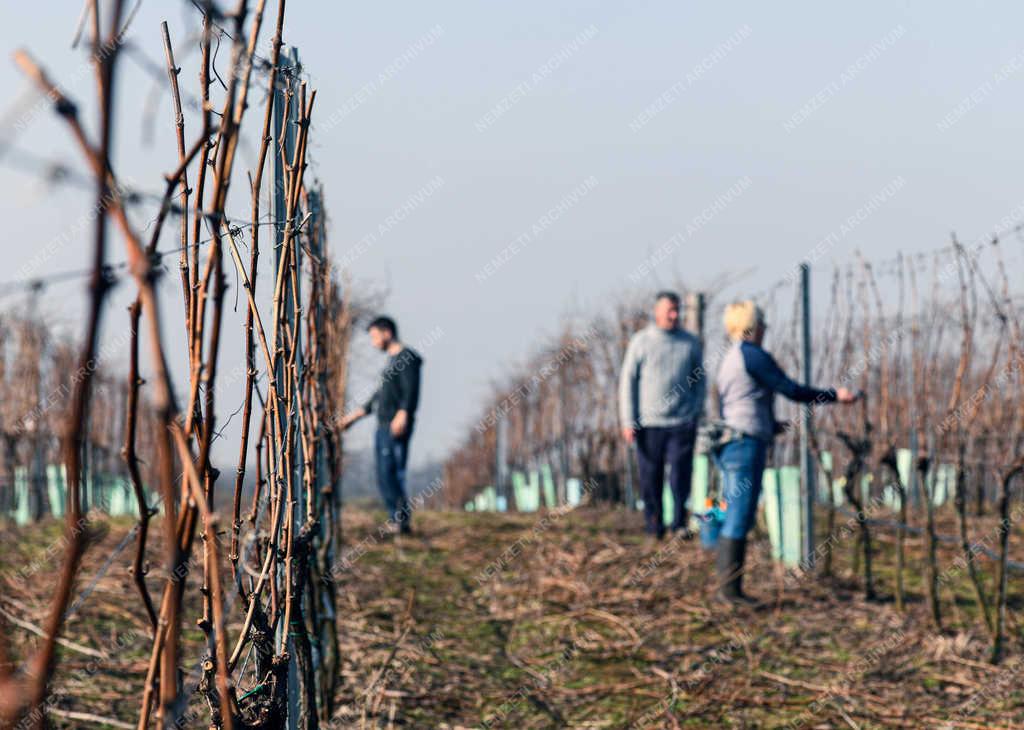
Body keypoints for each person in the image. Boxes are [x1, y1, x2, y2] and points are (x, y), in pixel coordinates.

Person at [713, 301, 857, 604]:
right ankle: (730, 592)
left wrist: (767, 423)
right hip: (745, 442)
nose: (765, 330)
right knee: (740, 513)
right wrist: (834, 395)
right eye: (762, 323)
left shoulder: (730, 357)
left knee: (735, 510)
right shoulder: (753, 355)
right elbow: (790, 389)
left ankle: (729, 589)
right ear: (753, 326)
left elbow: (739, 400)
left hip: (734, 439)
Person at [619, 291, 706, 540]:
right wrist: (628, 420)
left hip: (681, 422)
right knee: (650, 477)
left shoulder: (690, 343)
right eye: (670, 310)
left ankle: (679, 524)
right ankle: (653, 526)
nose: (675, 315)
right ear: (657, 312)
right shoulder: (641, 342)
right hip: (649, 424)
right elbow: (628, 382)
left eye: (677, 310)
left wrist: (695, 410)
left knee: (680, 476)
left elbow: (700, 379)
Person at [341, 316, 423, 535]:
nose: (373, 342)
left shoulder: (407, 358)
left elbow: (411, 390)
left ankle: (400, 521)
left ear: (387, 332)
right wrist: (354, 417)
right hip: (383, 425)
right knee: (383, 472)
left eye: (375, 336)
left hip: (395, 425)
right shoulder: (391, 362)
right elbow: (379, 396)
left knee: (392, 471)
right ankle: (395, 518)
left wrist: (403, 414)